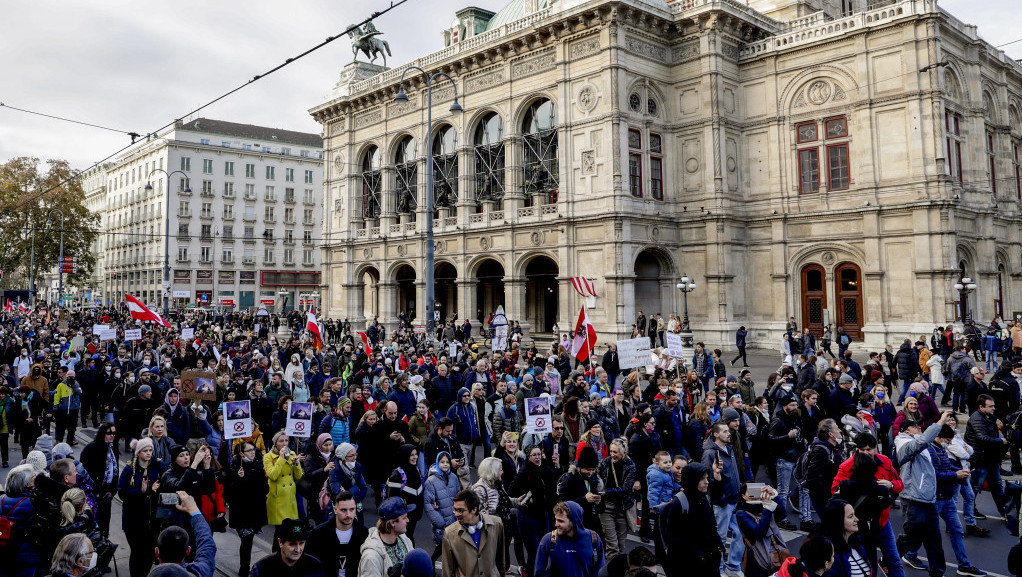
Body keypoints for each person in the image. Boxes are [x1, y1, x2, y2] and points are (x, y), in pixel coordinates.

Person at [895, 411, 954, 577]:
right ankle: (888, 560)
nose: (919, 426)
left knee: (934, 539)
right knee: (911, 536)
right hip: (914, 497)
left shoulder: (918, 441)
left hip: (928, 498)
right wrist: (940, 421)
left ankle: (937, 572)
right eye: (915, 425)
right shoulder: (903, 443)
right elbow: (922, 442)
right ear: (906, 430)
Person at [658, 462, 725, 577]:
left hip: (708, 562)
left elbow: (716, 495)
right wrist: (697, 555)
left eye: (707, 478)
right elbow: (673, 539)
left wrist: (717, 548)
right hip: (689, 566)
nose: (706, 482)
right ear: (692, 480)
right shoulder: (679, 504)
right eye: (702, 479)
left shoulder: (703, 498)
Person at [701, 420, 745, 576]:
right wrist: (720, 498)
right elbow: (707, 480)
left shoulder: (729, 448)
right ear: (716, 434)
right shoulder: (710, 453)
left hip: (735, 499)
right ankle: (718, 569)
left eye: (728, 431)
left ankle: (733, 566)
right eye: (725, 431)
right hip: (722, 502)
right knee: (720, 537)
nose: (729, 433)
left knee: (740, 533)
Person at [964, 394, 1009, 524]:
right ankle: (970, 512)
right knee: (975, 488)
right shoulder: (977, 418)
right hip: (981, 460)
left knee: (997, 487)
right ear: (981, 407)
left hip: (991, 459)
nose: (994, 408)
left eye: (993, 405)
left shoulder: (988, 417)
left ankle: (1004, 512)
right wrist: (1000, 441)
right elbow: (982, 438)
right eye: (991, 406)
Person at [442, 489, 507, 577]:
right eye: (455, 510)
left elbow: (501, 559)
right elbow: (447, 571)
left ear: (474, 509)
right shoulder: (449, 533)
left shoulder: (497, 524)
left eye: (460, 510)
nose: (456, 514)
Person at [150, 492, 217, 577]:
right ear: (188, 551)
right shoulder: (199, 572)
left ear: (156, 552)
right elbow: (207, 544)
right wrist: (194, 510)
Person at [227, 441, 269, 577]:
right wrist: (239, 479)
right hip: (242, 512)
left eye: (253, 450)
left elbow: (264, 489)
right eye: (249, 450)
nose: (253, 452)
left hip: (255, 510)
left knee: (249, 541)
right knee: (246, 541)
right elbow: (229, 492)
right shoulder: (234, 468)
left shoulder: (257, 464)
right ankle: (244, 569)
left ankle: (245, 568)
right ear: (241, 453)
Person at [306, 491, 369, 577]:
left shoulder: (365, 534)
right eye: (343, 510)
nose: (348, 514)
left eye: (352, 509)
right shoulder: (318, 534)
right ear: (335, 509)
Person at [534, 501, 606, 577]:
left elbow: (599, 572)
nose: (556, 524)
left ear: (574, 521)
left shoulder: (594, 539)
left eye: (560, 521)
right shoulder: (548, 540)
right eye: (556, 519)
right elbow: (539, 573)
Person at [735, 484, 789, 577]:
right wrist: (767, 508)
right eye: (751, 492)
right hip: (758, 558)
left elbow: (782, 515)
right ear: (743, 496)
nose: (755, 495)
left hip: (775, 553)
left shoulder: (765, 505)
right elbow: (759, 531)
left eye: (757, 491)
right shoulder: (741, 513)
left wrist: (774, 496)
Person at [597, 437, 636, 560]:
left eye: (616, 452)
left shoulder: (630, 465)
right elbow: (597, 479)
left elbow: (626, 488)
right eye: (611, 451)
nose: (612, 455)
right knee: (612, 546)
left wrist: (606, 491)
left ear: (623, 452)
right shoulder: (604, 463)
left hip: (622, 508)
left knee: (621, 544)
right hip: (607, 508)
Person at [1, 464, 43, 577]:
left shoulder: (0, 499)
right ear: (26, 485)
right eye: (32, 478)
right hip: (26, 557)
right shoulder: (32, 504)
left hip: (3, 552)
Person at [247, 518, 324, 577]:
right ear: (280, 542)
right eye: (292, 544)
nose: (298, 550)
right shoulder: (261, 569)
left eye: (301, 543)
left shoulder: (316, 568)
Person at [359, 497, 415, 577]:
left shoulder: (405, 539)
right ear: (392, 523)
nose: (408, 520)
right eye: (404, 518)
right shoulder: (371, 557)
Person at [816, 499, 871, 577]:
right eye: (851, 516)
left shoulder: (857, 544)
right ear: (838, 521)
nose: (856, 519)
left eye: (854, 515)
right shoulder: (830, 554)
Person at [424, 452, 462, 562]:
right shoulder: (430, 481)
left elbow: (458, 496)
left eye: (447, 462)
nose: (445, 464)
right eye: (442, 462)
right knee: (443, 547)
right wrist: (440, 523)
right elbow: (429, 506)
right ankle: (432, 565)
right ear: (437, 463)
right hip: (442, 522)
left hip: (454, 520)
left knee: (452, 549)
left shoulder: (454, 477)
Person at [264, 431, 304, 527]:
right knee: (280, 529)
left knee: (290, 529)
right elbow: (272, 475)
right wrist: (281, 458)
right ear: (275, 443)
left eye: (286, 440)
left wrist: (297, 464)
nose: (284, 443)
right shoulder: (268, 457)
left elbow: (298, 476)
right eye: (281, 441)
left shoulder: (292, 453)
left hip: (290, 495)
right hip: (277, 496)